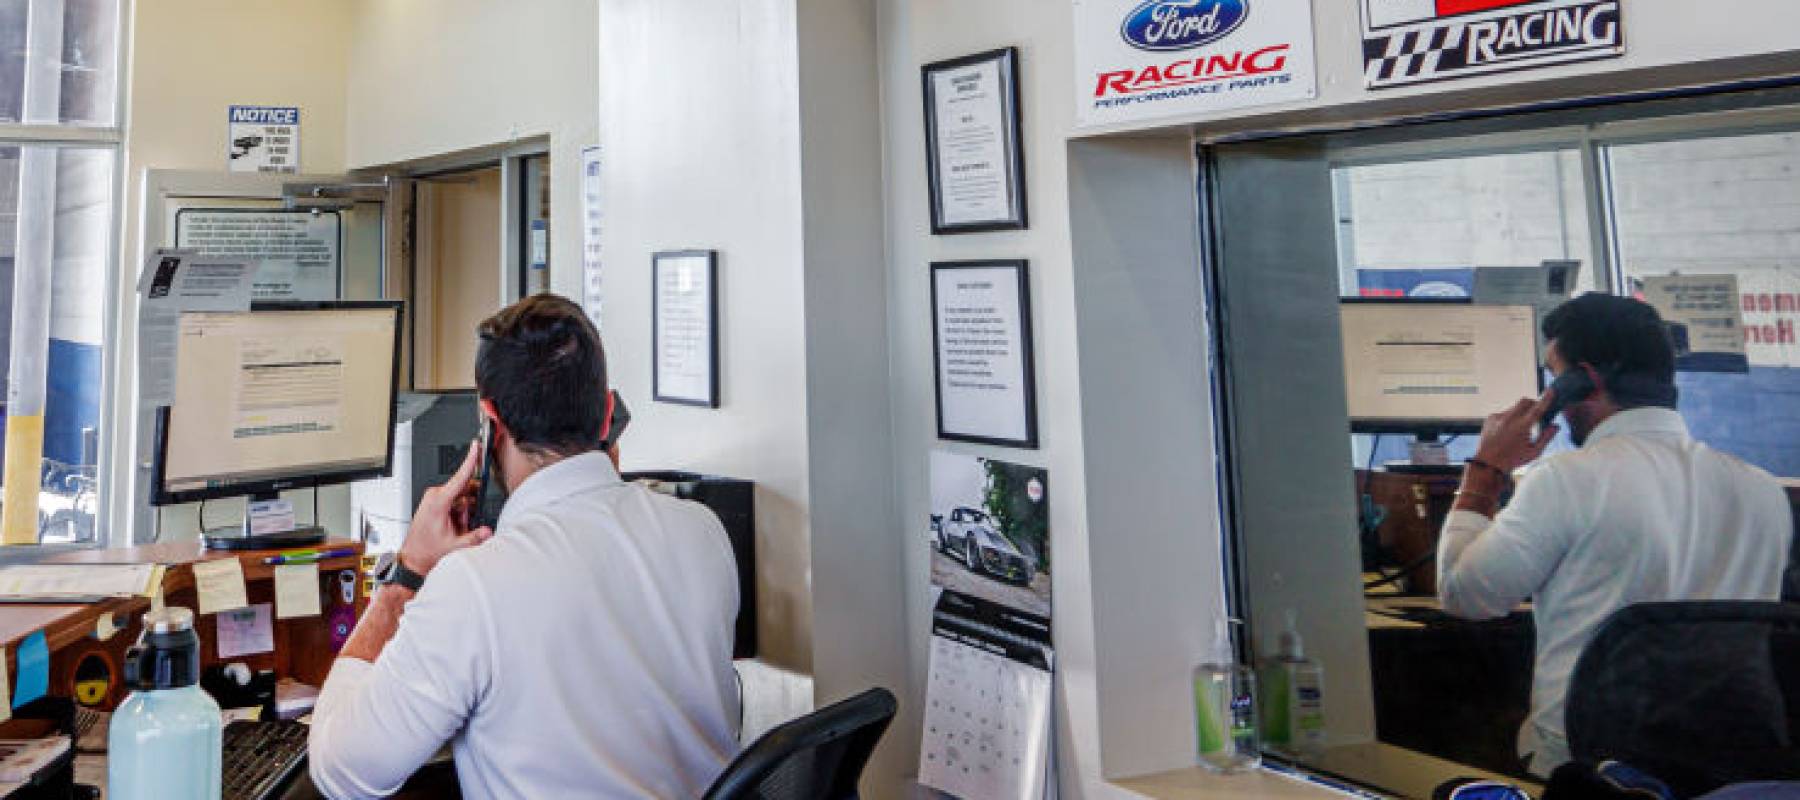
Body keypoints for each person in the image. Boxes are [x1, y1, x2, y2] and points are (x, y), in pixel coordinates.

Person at [309, 294, 741, 798]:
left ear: (489, 422)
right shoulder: (703, 532)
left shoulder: (475, 584)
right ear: (606, 416)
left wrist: (406, 576)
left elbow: (342, 771)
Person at [1437, 292, 1792, 778]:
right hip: (1726, 766)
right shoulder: (1763, 491)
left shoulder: (1567, 479)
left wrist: (1486, 470)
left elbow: (1464, 595)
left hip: (1589, 770)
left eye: (1554, 375)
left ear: (1585, 380)